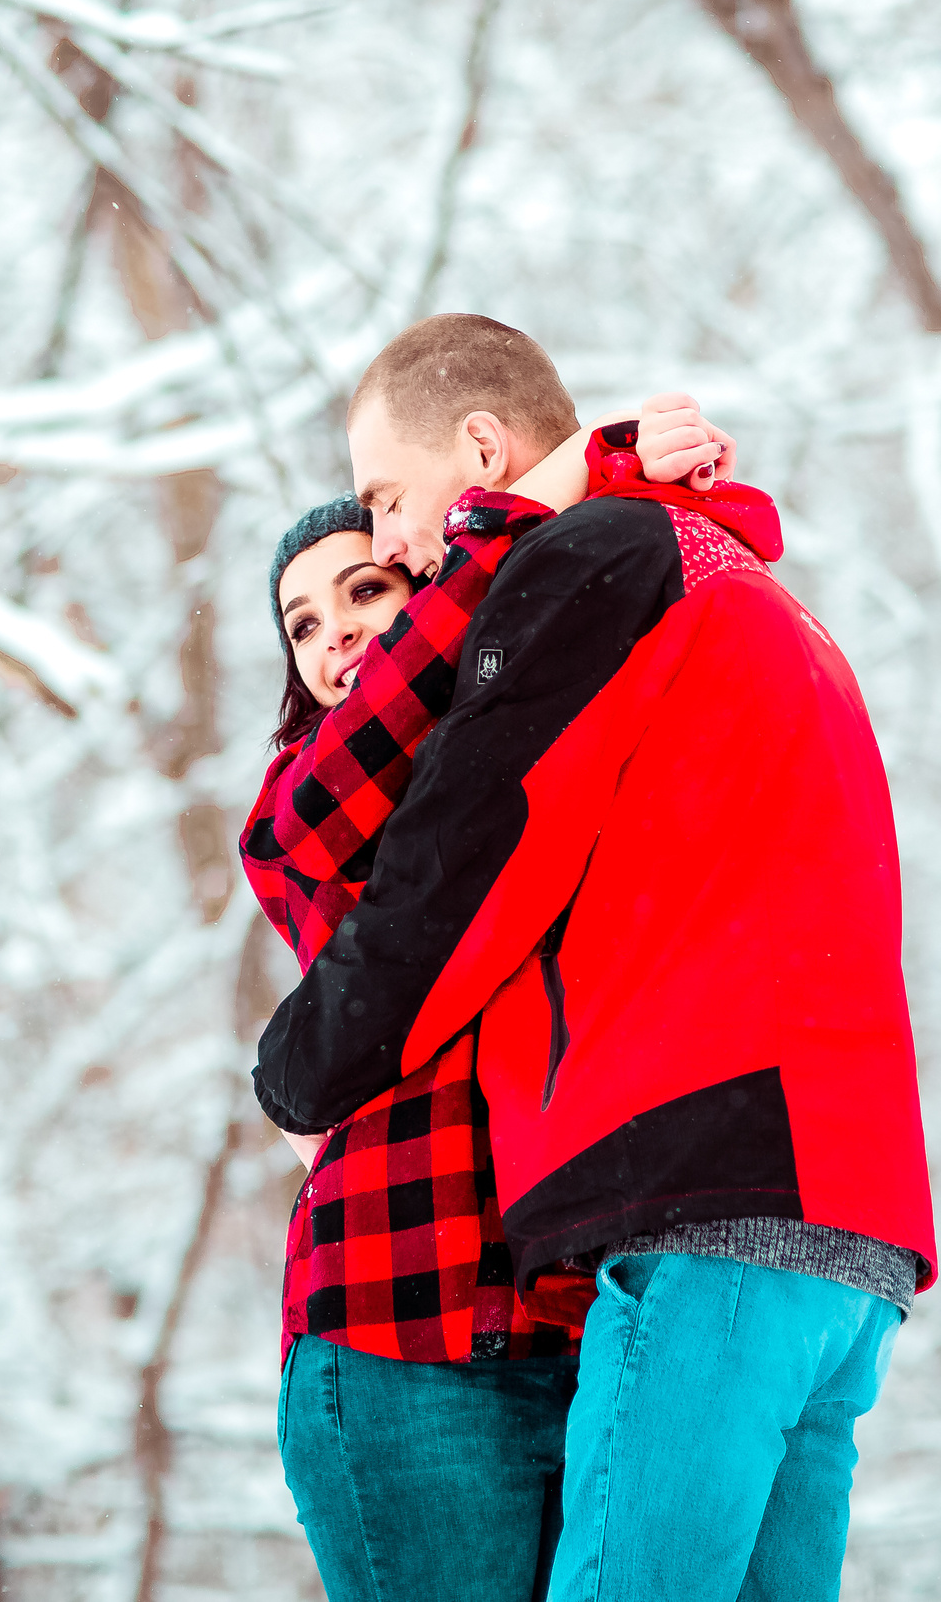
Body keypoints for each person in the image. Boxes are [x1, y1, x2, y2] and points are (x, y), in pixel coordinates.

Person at [254, 313, 938, 1602]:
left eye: (393, 503)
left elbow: (464, 864)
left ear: (478, 447)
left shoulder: (590, 564)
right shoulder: (737, 584)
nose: (392, 539)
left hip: (709, 1198)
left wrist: (300, 1065)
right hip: (855, 1225)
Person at [244, 395, 723, 1602]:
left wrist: (621, 488)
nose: (336, 635)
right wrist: (559, 484)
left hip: (567, 1324)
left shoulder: (522, 733)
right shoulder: (302, 803)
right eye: (302, 624)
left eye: (365, 591)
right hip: (397, 1334)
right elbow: (394, 734)